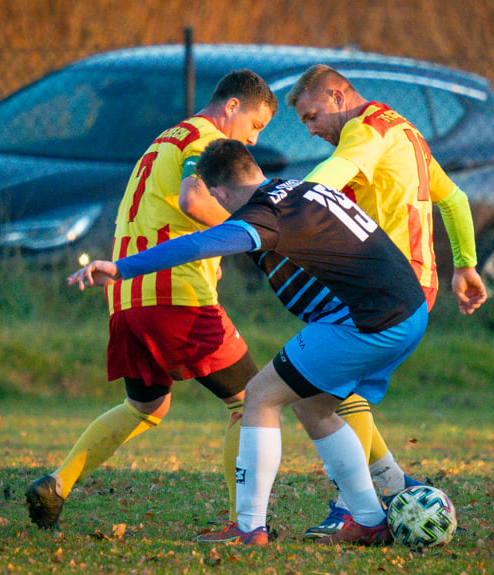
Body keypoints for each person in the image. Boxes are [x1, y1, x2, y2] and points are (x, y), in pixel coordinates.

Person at [67, 138, 431, 546]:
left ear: (219, 192)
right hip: (410, 310)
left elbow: (199, 243)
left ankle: (249, 526)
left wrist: (120, 267)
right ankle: (368, 518)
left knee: (259, 396)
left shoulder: (263, 215)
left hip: (366, 320)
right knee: (314, 404)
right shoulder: (301, 188)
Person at [25, 70, 278, 529]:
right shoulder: (206, 139)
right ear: (233, 107)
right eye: (256, 125)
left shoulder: (165, 139)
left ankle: (57, 484)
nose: (254, 141)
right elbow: (192, 197)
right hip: (174, 296)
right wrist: (247, 233)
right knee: (251, 398)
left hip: (127, 298)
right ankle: (243, 523)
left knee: (147, 407)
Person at [285, 64, 487, 536]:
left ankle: (356, 508)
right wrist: (466, 265)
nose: (312, 130)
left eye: (312, 116)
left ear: (338, 96)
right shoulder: (405, 131)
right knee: (337, 392)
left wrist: (289, 202)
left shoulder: (367, 130)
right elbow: (454, 200)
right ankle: (393, 489)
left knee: (324, 392)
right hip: (416, 286)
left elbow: (334, 174)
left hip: (384, 290)